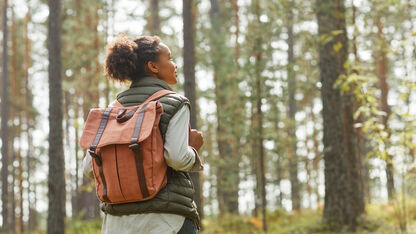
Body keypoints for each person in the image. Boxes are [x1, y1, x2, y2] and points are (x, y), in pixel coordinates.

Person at [82, 35, 204, 234]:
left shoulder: (112, 112)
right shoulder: (174, 103)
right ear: (153, 67)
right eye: (170, 58)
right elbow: (177, 158)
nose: (175, 65)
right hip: (166, 221)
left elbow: (88, 167)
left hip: (116, 224)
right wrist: (193, 148)